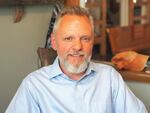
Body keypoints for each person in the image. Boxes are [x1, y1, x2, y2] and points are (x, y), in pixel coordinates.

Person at [5, 6, 148, 113]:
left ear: (92, 42)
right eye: (68, 38)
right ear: (54, 42)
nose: (78, 46)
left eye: (85, 38)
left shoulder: (109, 78)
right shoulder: (34, 86)